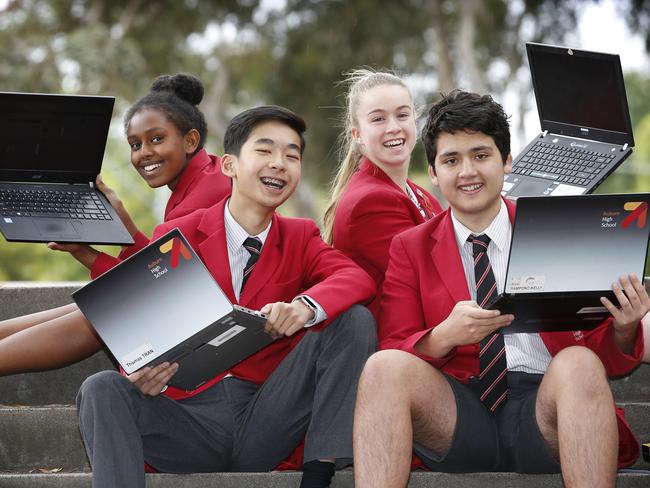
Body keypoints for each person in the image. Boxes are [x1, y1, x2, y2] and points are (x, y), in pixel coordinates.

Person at [353, 90, 648, 488]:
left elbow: (605, 363)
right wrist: (443, 336)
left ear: (507, 161)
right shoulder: (410, 246)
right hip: (457, 411)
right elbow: (394, 344)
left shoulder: (556, 233)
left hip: (544, 409)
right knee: (382, 368)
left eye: (481, 155)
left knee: (578, 363)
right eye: (451, 160)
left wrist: (625, 328)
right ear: (434, 172)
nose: (467, 172)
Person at [76, 105, 377, 488]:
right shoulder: (177, 234)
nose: (280, 164)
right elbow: (143, 326)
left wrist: (303, 307)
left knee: (354, 319)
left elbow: (356, 277)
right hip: (187, 421)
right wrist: (140, 374)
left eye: (291, 155)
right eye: (265, 151)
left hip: (267, 417)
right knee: (100, 387)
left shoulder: (302, 236)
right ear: (230, 166)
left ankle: (319, 474)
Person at [0, 73, 231, 370]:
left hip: (217, 332)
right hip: (187, 305)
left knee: (105, 311)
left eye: (156, 139)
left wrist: (89, 254)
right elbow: (168, 267)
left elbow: (157, 285)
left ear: (190, 140)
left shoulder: (209, 190)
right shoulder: (201, 177)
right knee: (87, 308)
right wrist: (122, 225)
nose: (144, 153)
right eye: (135, 145)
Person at [323, 69, 442, 316]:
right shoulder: (369, 202)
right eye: (378, 119)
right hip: (396, 343)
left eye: (402, 115)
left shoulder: (420, 194)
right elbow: (431, 278)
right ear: (358, 135)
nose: (393, 127)